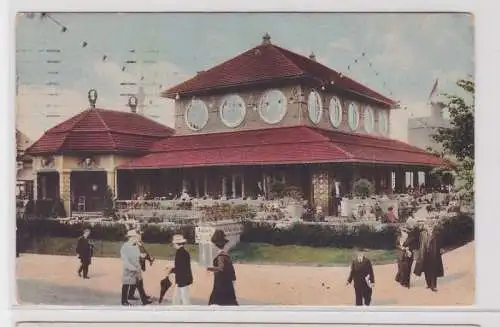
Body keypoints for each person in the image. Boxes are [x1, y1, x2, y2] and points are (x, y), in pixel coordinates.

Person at [120, 230, 152, 306]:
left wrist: (142, 257)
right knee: (126, 284)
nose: (137, 238)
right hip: (129, 269)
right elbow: (125, 259)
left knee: (139, 283)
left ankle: (144, 300)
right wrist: (131, 267)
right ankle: (124, 301)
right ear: (131, 237)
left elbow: (138, 255)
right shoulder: (125, 246)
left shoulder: (135, 245)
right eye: (136, 237)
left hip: (137, 267)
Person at [207, 230, 238, 306]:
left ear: (215, 244)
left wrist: (210, 268)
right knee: (229, 303)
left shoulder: (221, 256)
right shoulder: (225, 255)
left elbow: (220, 268)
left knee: (216, 302)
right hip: (227, 282)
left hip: (221, 283)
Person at [414, 221, 444, 292]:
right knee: (426, 270)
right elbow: (419, 243)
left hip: (434, 253)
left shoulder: (436, 233)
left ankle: (433, 286)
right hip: (424, 254)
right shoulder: (422, 234)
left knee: (433, 269)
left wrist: (441, 248)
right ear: (426, 227)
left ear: (433, 227)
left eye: (431, 226)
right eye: (428, 226)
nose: (430, 227)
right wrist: (417, 252)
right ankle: (428, 284)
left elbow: (440, 242)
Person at [127, 228, 155, 301]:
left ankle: (131, 295)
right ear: (135, 236)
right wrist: (143, 256)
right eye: (139, 235)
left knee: (136, 281)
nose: (140, 236)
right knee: (139, 282)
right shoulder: (132, 244)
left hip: (137, 265)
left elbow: (144, 252)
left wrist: (148, 258)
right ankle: (143, 297)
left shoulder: (138, 243)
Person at [168, 234, 193, 305]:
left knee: (185, 298)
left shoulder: (179, 253)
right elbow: (182, 266)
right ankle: (175, 309)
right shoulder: (184, 252)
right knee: (176, 297)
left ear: (177, 244)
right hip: (183, 278)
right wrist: (173, 270)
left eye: (174, 244)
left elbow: (180, 267)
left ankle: (188, 312)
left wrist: (172, 270)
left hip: (182, 279)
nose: (173, 245)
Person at [395, 224, 419, 288]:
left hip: (408, 256)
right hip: (400, 256)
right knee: (401, 269)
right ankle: (401, 281)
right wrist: (402, 248)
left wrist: (409, 249)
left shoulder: (411, 238)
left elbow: (415, 246)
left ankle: (407, 283)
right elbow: (396, 245)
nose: (404, 232)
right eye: (403, 231)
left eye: (405, 231)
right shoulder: (399, 237)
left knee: (407, 270)